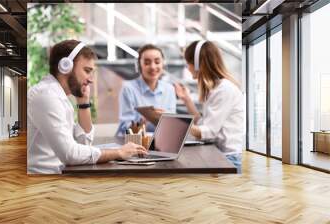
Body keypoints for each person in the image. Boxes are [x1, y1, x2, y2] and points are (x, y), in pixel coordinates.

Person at [28, 40, 147, 174]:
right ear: (65, 66)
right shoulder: (46, 96)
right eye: (87, 71)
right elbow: (70, 154)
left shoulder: (59, 97)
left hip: (60, 175)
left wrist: (83, 103)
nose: (91, 79)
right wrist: (119, 152)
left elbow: (83, 145)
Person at [174, 40, 245, 172]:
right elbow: (203, 124)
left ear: (197, 64)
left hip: (229, 159)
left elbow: (208, 132)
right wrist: (186, 100)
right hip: (221, 155)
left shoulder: (224, 90)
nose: (187, 67)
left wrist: (175, 123)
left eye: (188, 62)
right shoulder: (215, 89)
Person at [117, 44, 177, 136]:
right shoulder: (128, 88)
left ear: (162, 64)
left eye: (157, 62)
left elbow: (172, 125)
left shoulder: (169, 89)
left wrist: (165, 119)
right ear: (139, 65)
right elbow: (125, 127)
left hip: (159, 141)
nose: (153, 67)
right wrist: (142, 123)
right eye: (147, 63)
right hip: (131, 142)